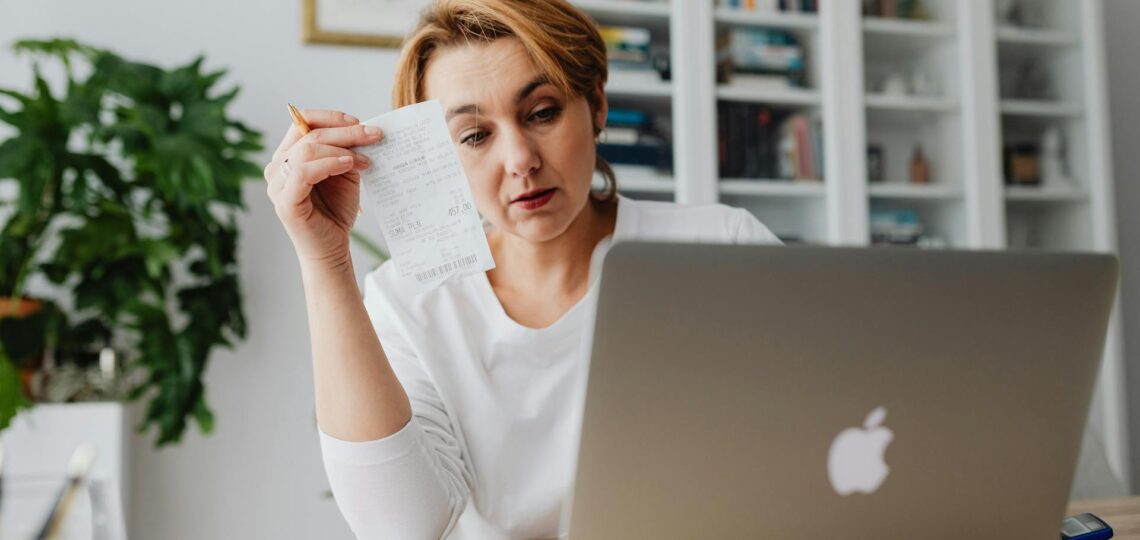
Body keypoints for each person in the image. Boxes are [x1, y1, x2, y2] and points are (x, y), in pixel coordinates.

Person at [262, 0, 781, 537]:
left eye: (542, 112)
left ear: (597, 105)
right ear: (440, 155)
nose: (519, 160)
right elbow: (402, 525)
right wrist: (325, 262)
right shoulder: (409, 303)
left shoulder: (723, 247)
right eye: (474, 136)